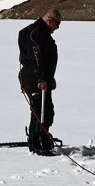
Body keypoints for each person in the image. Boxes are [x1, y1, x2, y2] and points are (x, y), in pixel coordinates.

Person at [18, 9, 62, 155]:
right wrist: (41, 78)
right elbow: (34, 57)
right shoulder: (35, 33)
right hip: (34, 78)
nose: (58, 27)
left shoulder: (40, 32)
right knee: (38, 110)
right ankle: (36, 143)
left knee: (47, 109)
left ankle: (43, 137)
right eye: (57, 24)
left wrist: (50, 77)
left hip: (42, 78)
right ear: (50, 20)